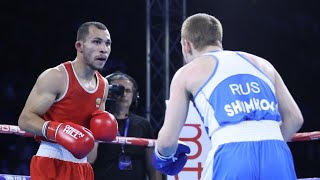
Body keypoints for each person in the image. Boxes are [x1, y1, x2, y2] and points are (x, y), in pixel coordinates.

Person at [152, 13, 304, 179]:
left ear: (186, 45)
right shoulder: (262, 63)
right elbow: (295, 119)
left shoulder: (187, 73)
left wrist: (162, 157)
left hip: (231, 155)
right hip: (277, 155)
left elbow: (167, 142)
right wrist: (266, 142)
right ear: (219, 40)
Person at [18, 21, 118, 180]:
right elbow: (24, 120)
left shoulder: (103, 85)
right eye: (96, 42)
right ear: (79, 46)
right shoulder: (56, 77)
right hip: (51, 161)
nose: (104, 49)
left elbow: (91, 152)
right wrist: (56, 130)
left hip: (83, 167)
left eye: (108, 43)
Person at [88, 71, 162, 180]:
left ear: (134, 96)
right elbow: (90, 159)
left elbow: (152, 167)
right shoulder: (97, 121)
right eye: (119, 89)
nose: (124, 94)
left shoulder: (143, 125)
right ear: (107, 92)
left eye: (128, 91)